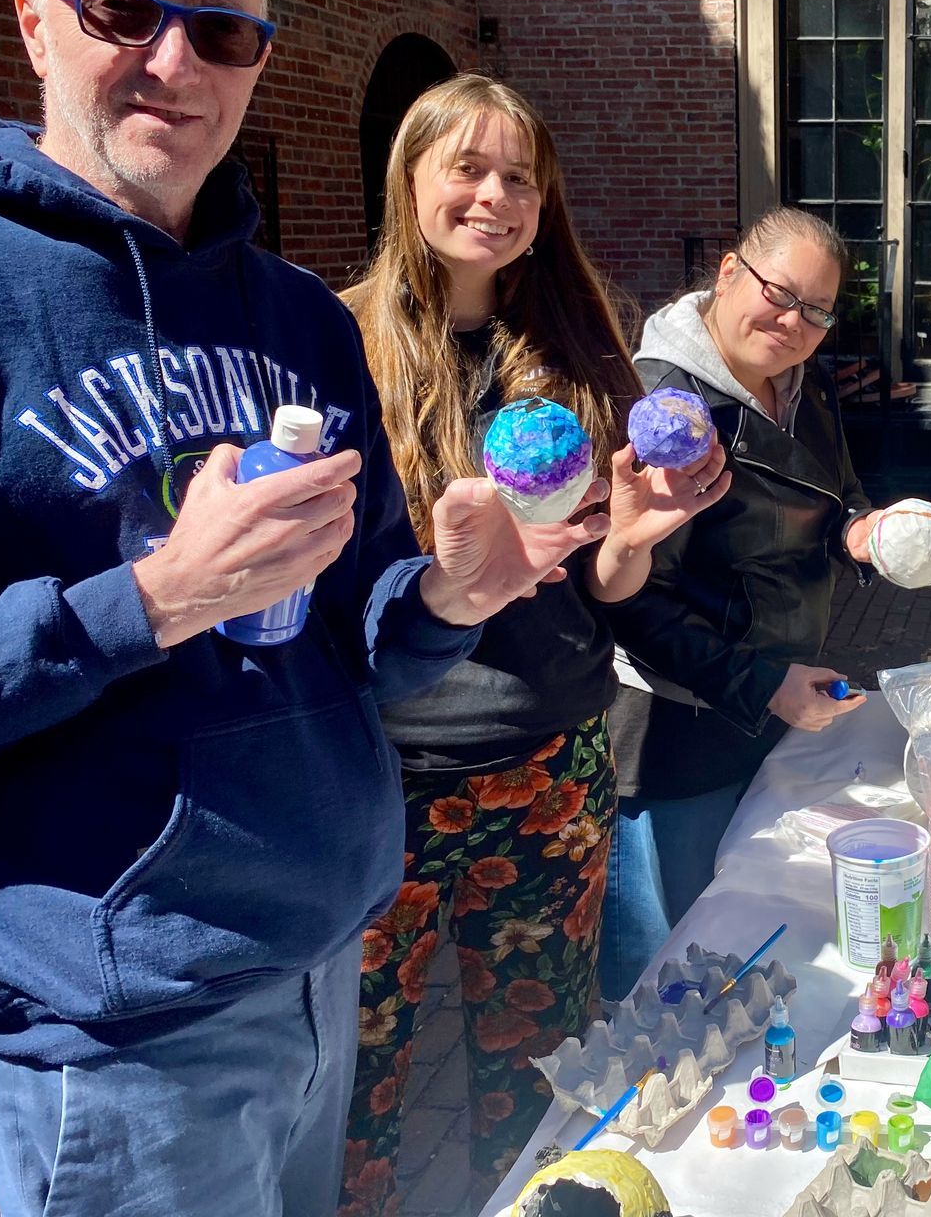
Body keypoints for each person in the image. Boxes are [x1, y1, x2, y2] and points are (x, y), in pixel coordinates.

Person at [0, 0, 601, 1217]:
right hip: (117, 1035)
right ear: (33, 23)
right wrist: (147, 601)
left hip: (325, 953)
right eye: (125, 10)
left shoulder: (293, 324)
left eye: (222, 32)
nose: (171, 61)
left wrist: (453, 596)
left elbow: (358, 646)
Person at [336, 75, 729, 1210]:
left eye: (520, 177)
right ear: (409, 176)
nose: (496, 196)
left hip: (549, 765)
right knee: (361, 1076)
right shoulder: (339, 342)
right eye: (467, 167)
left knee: (540, 1069)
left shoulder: (569, 343)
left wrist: (638, 540)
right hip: (384, 776)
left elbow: (598, 589)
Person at [602, 207, 894, 997]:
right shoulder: (660, 406)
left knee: (746, 955)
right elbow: (633, 602)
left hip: (771, 708)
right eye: (781, 293)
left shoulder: (803, 384)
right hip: (678, 731)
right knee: (667, 976)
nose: (795, 321)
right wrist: (761, 682)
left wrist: (862, 531)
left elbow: (832, 497)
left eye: (818, 310)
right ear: (728, 273)